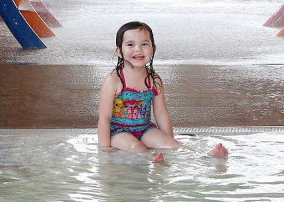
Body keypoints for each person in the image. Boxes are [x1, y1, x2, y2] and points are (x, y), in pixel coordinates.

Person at [97, 21, 228, 162]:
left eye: (144, 44)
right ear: (119, 51)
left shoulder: (154, 80)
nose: (138, 49)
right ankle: (153, 159)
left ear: (153, 49)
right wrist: (104, 148)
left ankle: (204, 157)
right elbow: (104, 118)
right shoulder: (114, 80)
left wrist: (169, 139)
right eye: (130, 45)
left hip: (144, 129)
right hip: (118, 133)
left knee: (171, 145)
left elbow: (161, 113)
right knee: (136, 147)